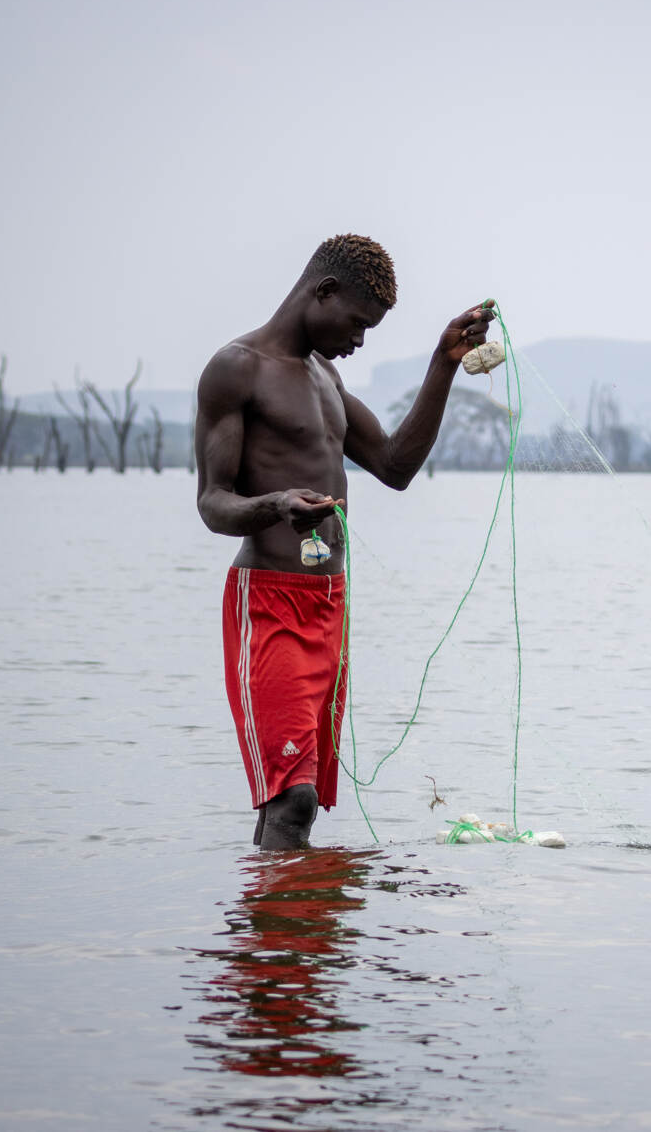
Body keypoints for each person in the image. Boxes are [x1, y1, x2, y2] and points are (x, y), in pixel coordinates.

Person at [195, 233, 494, 849]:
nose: (359, 342)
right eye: (358, 324)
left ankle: (288, 938)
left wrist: (443, 364)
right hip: (269, 604)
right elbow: (212, 504)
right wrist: (277, 505)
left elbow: (395, 465)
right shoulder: (237, 368)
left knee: (294, 797)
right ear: (323, 292)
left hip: (329, 603)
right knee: (292, 796)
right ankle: (291, 935)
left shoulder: (325, 377)